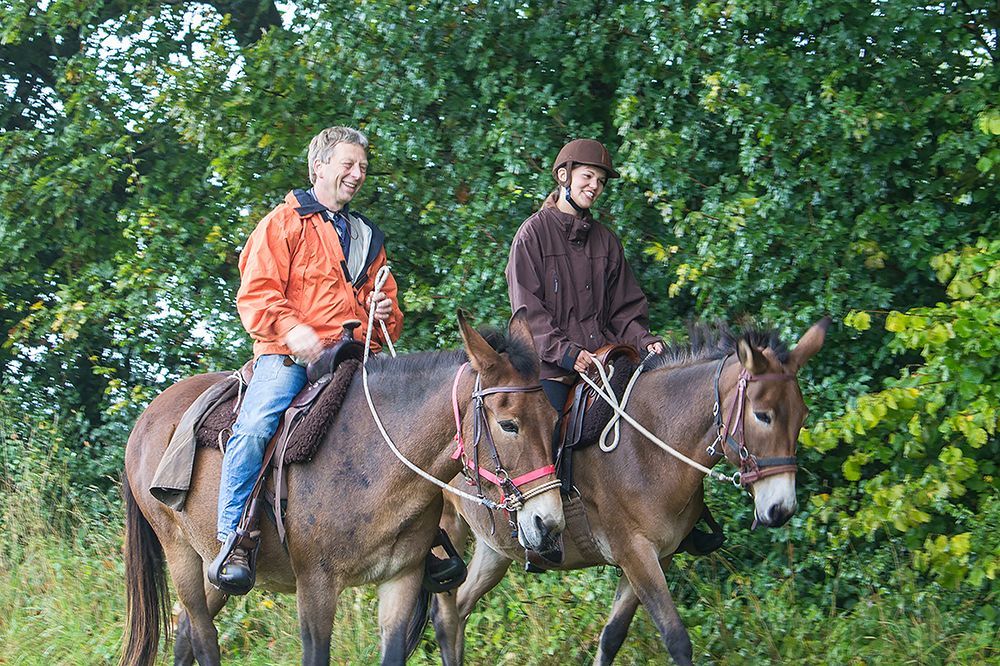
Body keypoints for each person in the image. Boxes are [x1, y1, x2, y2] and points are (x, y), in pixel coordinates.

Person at [208, 126, 403, 595]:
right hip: (289, 356)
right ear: (319, 168)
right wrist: (293, 330)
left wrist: (385, 312)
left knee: (410, 422)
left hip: (355, 357)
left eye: (362, 166)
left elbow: (388, 309)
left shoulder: (365, 236)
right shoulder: (283, 223)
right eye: (348, 165)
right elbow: (256, 294)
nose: (357, 174)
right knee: (255, 427)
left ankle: (418, 534)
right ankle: (232, 536)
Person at [505, 138, 722, 557]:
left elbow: (625, 310)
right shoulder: (531, 235)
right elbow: (529, 314)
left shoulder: (606, 241)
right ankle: (540, 531)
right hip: (552, 367)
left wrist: (646, 340)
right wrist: (568, 354)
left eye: (601, 181)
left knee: (658, 417)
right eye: (588, 177)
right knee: (545, 431)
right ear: (563, 176)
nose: (595, 186)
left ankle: (684, 516)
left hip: (605, 361)